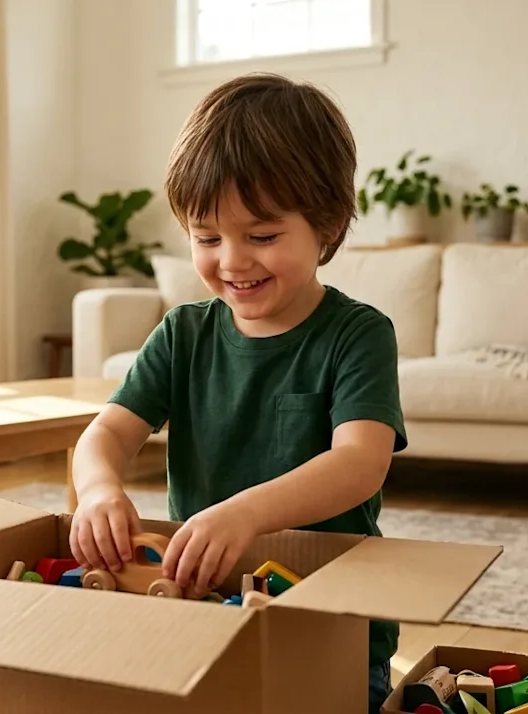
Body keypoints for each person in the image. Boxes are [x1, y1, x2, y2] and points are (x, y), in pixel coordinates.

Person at [67, 72, 407, 712]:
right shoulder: (183, 333)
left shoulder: (358, 334)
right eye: (206, 237)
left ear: (328, 224)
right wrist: (99, 490)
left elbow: (360, 462)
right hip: (201, 615)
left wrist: (246, 512)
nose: (232, 260)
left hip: (329, 630)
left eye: (262, 236)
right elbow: (107, 433)